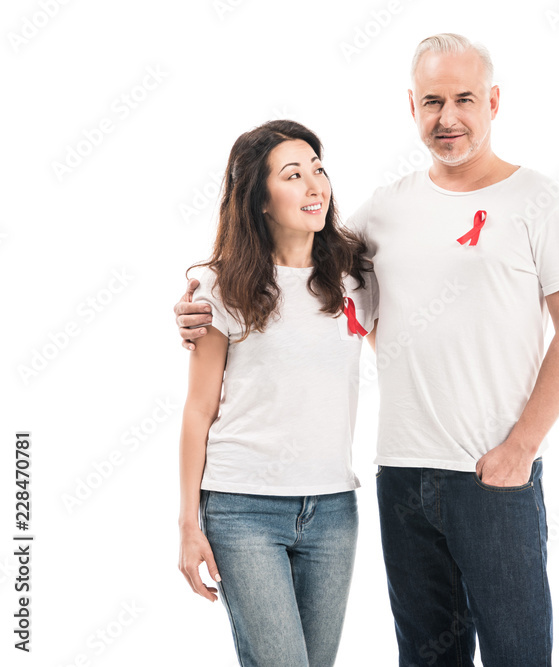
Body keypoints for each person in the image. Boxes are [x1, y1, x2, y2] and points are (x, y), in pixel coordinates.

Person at [175, 34, 559, 666]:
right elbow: (315, 293)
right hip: (400, 477)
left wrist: (522, 448)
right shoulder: (383, 213)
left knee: (520, 654)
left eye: (464, 99)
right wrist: (200, 307)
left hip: (493, 474)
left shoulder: (538, 201)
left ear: (494, 102)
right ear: (412, 107)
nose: (447, 118)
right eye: (432, 101)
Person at [176, 119, 376, 667]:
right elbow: (199, 410)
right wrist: (188, 524)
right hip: (242, 510)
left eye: (318, 169)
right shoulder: (220, 287)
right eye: (293, 175)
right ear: (260, 199)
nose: (315, 186)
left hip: (334, 509)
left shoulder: (355, 278)